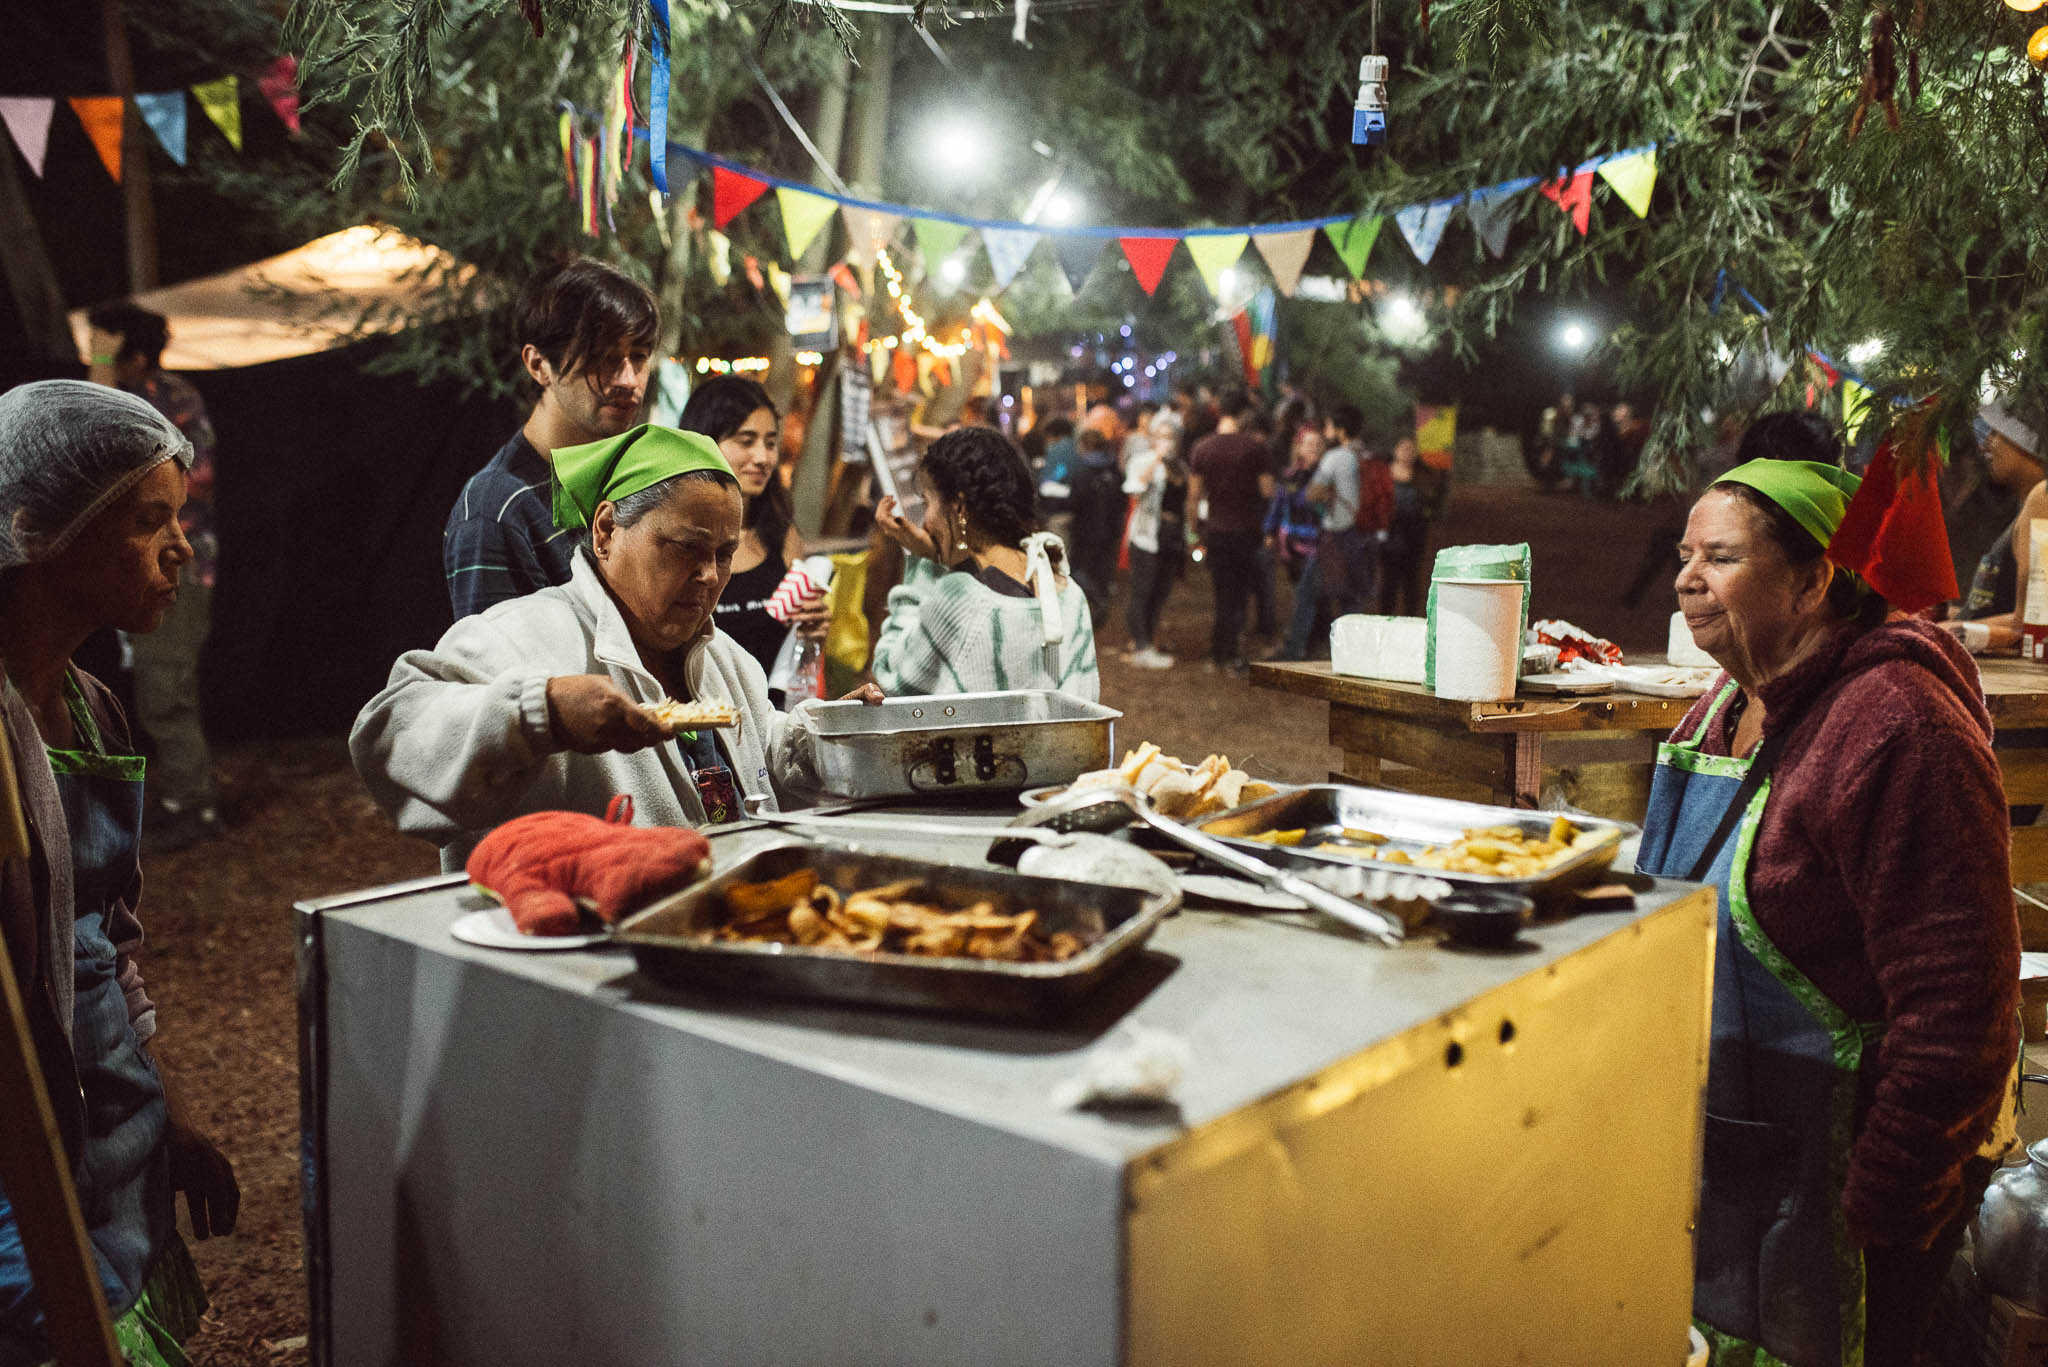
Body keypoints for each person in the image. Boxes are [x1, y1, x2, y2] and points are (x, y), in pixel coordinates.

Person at [1637, 457, 2018, 1367]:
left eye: (1720, 557)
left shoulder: (1898, 724)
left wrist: (1882, 1204)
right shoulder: (1723, 706)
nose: (1687, 578)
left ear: (1814, 581)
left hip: (1846, 1189)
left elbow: (1962, 1008)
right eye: (1687, 554)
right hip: (1726, 1166)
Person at [0, 381, 240, 1365]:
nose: (181, 547)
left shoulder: (92, 705)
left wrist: (169, 1107)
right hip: (25, 1188)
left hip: (114, 1142)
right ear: (40, 530)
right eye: (150, 521)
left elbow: (103, 939)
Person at [358, 426, 874, 870]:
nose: (709, 575)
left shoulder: (726, 659)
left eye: (723, 553)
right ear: (606, 530)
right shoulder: (522, 636)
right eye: (685, 548)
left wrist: (823, 737)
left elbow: (759, 754)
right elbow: (390, 734)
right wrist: (543, 713)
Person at [443, 258, 658, 620]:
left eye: (638, 357)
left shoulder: (626, 478)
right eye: (604, 358)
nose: (628, 379)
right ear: (539, 364)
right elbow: (501, 671)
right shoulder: (496, 511)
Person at [85, 303, 223, 852]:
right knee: (155, 691)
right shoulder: (163, 395)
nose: (97, 364)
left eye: (107, 353)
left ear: (135, 357)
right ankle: (177, 801)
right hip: (155, 565)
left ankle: (197, 808)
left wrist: (99, 358)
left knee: (166, 693)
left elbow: (95, 425)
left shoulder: (163, 402)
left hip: (177, 567)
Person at [870, 426, 1098, 700]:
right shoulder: (1070, 596)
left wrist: (925, 561)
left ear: (959, 508)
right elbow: (1086, 702)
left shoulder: (959, 598)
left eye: (928, 502)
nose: (926, 522)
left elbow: (892, 678)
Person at [677, 376, 827, 695]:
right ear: (704, 442)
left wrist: (813, 632)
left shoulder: (782, 536)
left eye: (771, 443)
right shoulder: (677, 541)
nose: (763, 458)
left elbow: (798, 656)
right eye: (746, 440)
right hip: (704, 720)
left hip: (774, 721)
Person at [1946, 400, 2046, 651]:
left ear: (2030, 441)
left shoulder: (2042, 499)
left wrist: (1945, 634)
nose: (1986, 443)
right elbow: (2000, 611)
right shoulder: (2024, 505)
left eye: (1998, 432)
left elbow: (2030, 625)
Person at [1187, 389, 1274, 674]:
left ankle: (1217, 653)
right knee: (1239, 594)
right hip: (1246, 530)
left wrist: (1193, 531)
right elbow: (1266, 490)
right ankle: (1231, 653)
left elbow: (1194, 496)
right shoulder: (1255, 448)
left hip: (1217, 529)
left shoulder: (1202, 447)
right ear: (1243, 415)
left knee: (1222, 592)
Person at [1307, 402, 1392, 625]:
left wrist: (1326, 493)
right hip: (1365, 532)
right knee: (1352, 597)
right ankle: (1353, 649)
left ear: (1341, 430)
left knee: (1308, 591)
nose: (1326, 432)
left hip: (1338, 534)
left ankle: (1293, 649)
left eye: (1328, 427)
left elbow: (1312, 493)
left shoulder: (1335, 457)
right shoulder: (1369, 455)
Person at [1123, 408, 1185, 669]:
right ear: (1152, 438)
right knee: (1142, 591)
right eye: (1161, 436)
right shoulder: (1142, 460)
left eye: (1170, 437)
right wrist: (1155, 461)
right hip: (1145, 537)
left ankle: (1148, 638)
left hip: (1170, 539)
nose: (1166, 442)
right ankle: (1141, 645)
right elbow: (1134, 489)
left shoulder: (1180, 467)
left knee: (1161, 592)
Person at [1269, 424, 1330, 661]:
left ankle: (1306, 644)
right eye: (1309, 444)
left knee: (1314, 594)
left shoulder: (1326, 476)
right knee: (1301, 592)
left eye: (1318, 445)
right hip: (1292, 546)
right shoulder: (1290, 476)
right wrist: (1269, 530)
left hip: (1319, 544)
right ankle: (1308, 643)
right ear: (1300, 447)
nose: (1313, 449)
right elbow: (1279, 504)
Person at [1065, 427, 1123, 622]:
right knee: (1103, 569)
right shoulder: (1114, 467)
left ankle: (1096, 602)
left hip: (1086, 529)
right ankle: (1101, 600)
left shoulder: (1082, 470)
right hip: (1110, 528)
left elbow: (1074, 500)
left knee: (1079, 569)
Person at [1379, 436, 1438, 616]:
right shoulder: (1383, 475)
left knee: (1411, 580)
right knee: (1388, 580)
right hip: (1388, 536)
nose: (1406, 453)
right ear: (1395, 451)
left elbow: (1433, 504)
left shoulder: (1424, 477)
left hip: (1413, 537)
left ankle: (1411, 619)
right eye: (1403, 448)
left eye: (1411, 449)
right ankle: (1385, 619)